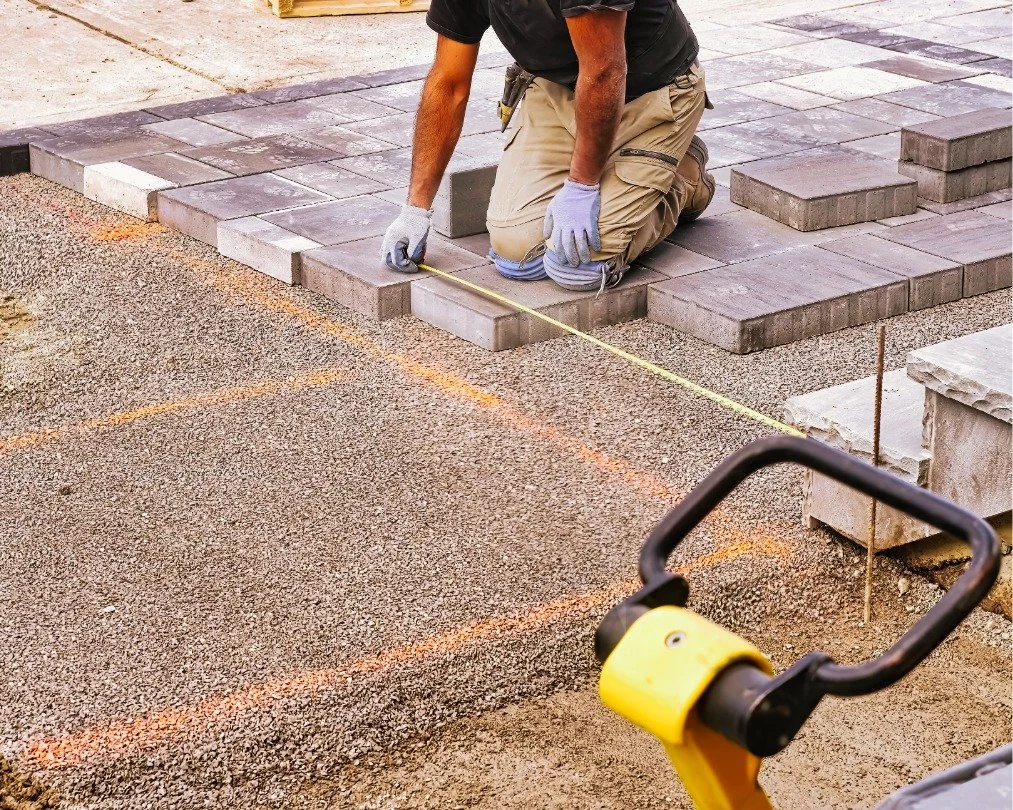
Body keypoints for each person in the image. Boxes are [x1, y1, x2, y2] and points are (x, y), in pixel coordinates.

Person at [379, 0, 715, 293]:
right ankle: (631, 170)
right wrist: (415, 210)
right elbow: (448, 83)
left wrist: (581, 187)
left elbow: (604, 73)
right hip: (560, 91)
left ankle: (684, 177)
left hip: (652, 92)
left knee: (579, 269)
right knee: (517, 259)